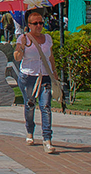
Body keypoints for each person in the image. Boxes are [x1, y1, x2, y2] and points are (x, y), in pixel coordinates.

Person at [14, 11, 58, 154]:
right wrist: (21, 47)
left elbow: (50, 57)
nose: (39, 26)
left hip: (45, 76)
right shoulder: (23, 38)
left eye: (41, 23)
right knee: (30, 105)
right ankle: (30, 131)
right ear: (29, 25)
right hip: (28, 77)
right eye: (35, 23)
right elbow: (17, 57)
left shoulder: (48, 38)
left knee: (45, 106)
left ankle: (47, 139)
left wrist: (54, 73)